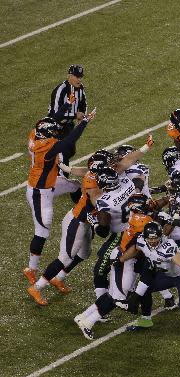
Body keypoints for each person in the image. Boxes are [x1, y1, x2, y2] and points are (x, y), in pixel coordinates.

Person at [23, 109, 95, 285]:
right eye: (53, 133)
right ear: (46, 135)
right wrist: (84, 122)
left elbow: (48, 120)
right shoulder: (46, 148)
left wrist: (64, 108)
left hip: (50, 181)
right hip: (40, 192)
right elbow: (69, 141)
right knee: (43, 230)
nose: (56, 135)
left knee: (75, 186)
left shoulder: (35, 134)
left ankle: (81, 212)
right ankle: (31, 269)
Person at [48, 65, 87, 144]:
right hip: (54, 128)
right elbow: (55, 115)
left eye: (81, 77)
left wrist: (82, 116)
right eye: (77, 77)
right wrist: (75, 115)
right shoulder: (60, 90)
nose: (79, 80)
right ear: (70, 76)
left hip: (68, 126)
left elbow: (83, 103)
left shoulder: (80, 88)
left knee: (69, 151)